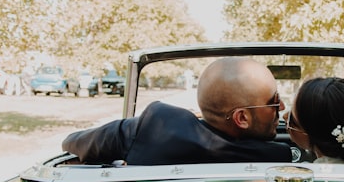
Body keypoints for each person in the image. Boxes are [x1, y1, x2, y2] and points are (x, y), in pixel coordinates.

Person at [62, 57, 293, 165]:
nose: (282, 108)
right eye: (274, 102)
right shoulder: (279, 158)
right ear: (241, 118)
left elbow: (73, 143)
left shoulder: (154, 129)